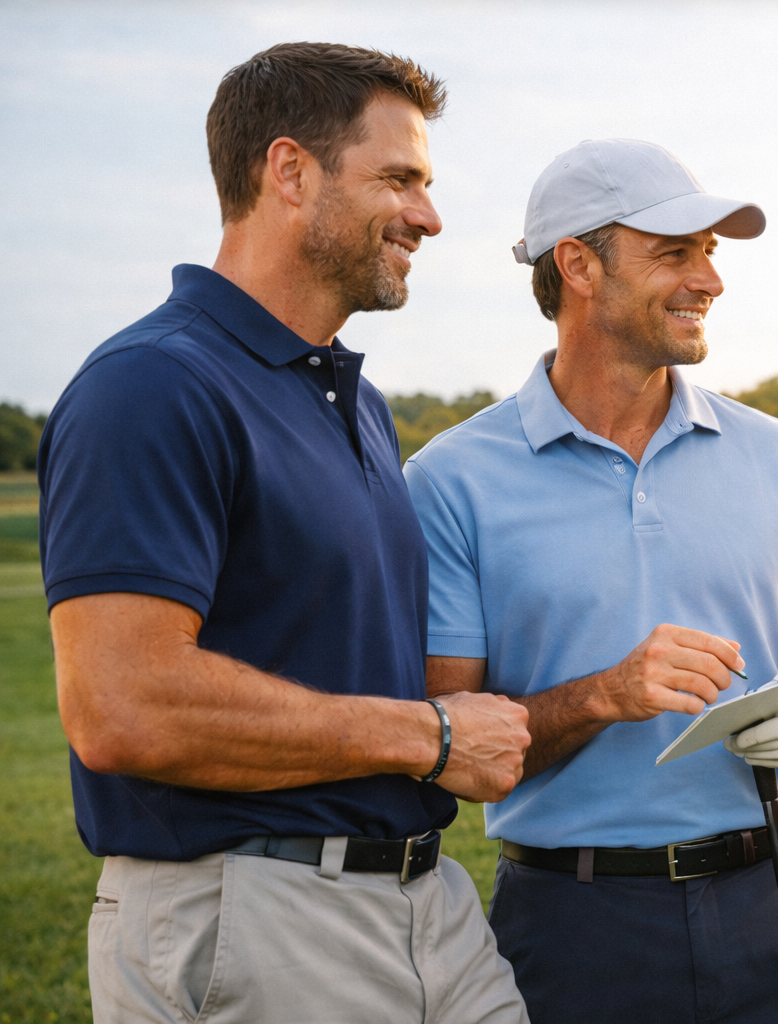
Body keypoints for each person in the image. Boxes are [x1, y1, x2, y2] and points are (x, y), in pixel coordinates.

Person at [39, 43, 532, 1024]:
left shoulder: (360, 402)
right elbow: (121, 705)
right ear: (290, 171)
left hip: (426, 904)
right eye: (400, 179)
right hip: (257, 916)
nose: (429, 217)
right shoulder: (153, 384)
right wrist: (430, 736)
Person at [404, 138, 778, 1023]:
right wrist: (604, 695)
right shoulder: (450, 480)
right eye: (677, 252)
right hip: (576, 925)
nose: (710, 278)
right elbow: (448, 747)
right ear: (578, 264)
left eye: (712, 253)